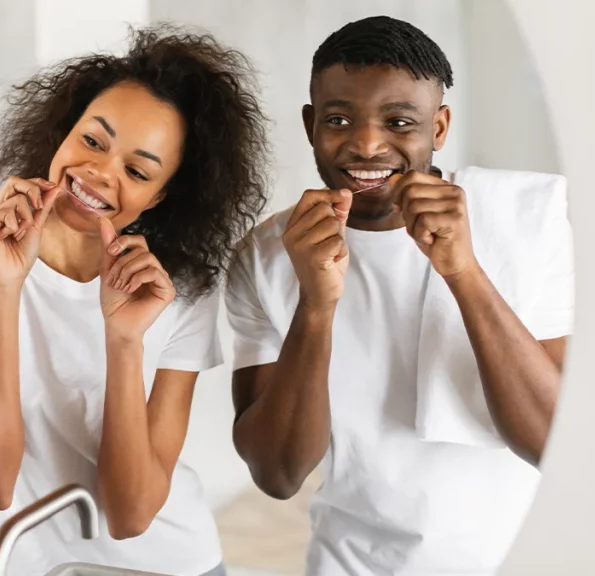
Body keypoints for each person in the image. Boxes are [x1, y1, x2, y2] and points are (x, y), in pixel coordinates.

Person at [0, 24, 269, 576]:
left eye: (137, 170)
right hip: (15, 560)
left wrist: (125, 341)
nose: (100, 173)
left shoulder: (177, 292)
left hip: (162, 564)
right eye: (92, 140)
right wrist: (3, 288)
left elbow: (131, 514)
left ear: (160, 195)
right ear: (62, 130)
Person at [226, 15, 573, 576]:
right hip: (351, 563)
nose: (366, 144)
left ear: (438, 128)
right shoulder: (267, 256)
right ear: (311, 124)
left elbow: (557, 444)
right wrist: (315, 305)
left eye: (398, 121)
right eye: (339, 119)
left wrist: (462, 271)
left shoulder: (529, 215)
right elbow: (279, 475)